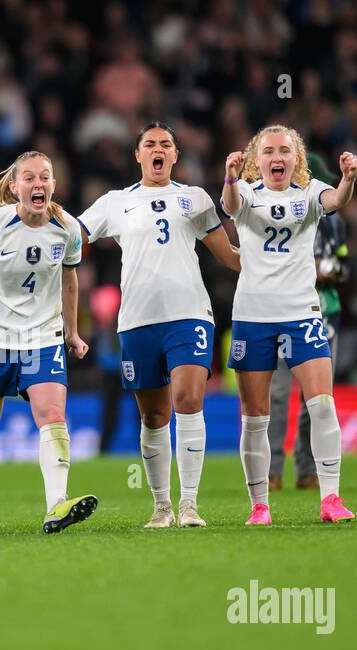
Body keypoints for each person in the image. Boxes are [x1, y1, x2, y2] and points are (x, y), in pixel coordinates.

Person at [77, 122, 240, 528]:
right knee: (154, 417)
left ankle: (189, 505)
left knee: (187, 400)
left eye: (166, 144)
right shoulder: (115, 202)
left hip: (189, 315)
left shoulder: (194, 199)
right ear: (138, 155)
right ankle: (161, 506)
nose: (158, 149)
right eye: (150, 144)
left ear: (175, 156)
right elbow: (73, 236)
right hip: (137, 321)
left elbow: (231, 257)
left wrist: (277, 259)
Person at [220, 125, 357, 525]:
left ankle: (331, 498)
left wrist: (348, 180)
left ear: (296, 158)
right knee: (256, 415)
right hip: (253, 314)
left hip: (301, 312)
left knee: (322, 403)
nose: (276, 157)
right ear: (255, 159)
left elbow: (336, 200)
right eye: (268, 151)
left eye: (284, 150)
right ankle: (260, 506)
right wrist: (230, 176)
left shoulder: (310, 192)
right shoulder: (245, 192)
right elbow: (229, 205)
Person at [0, 150, 98, 535]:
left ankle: (56, 505)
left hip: (42, 339)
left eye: (46, 177)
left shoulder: (67, 228)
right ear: (15, 186)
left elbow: (69, 282)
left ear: (54, 183)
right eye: (31, 178)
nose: (39, 184)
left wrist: (72, 331)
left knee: (52, 417)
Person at [268, 152, 348, 491]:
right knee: (276, 394)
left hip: (324, 310)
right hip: (280, 310)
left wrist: (329, 271)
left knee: (315, 397)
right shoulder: (277, 211)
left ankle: (307, 469)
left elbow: (343, 267)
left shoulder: (335, 222)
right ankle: (271, 471)